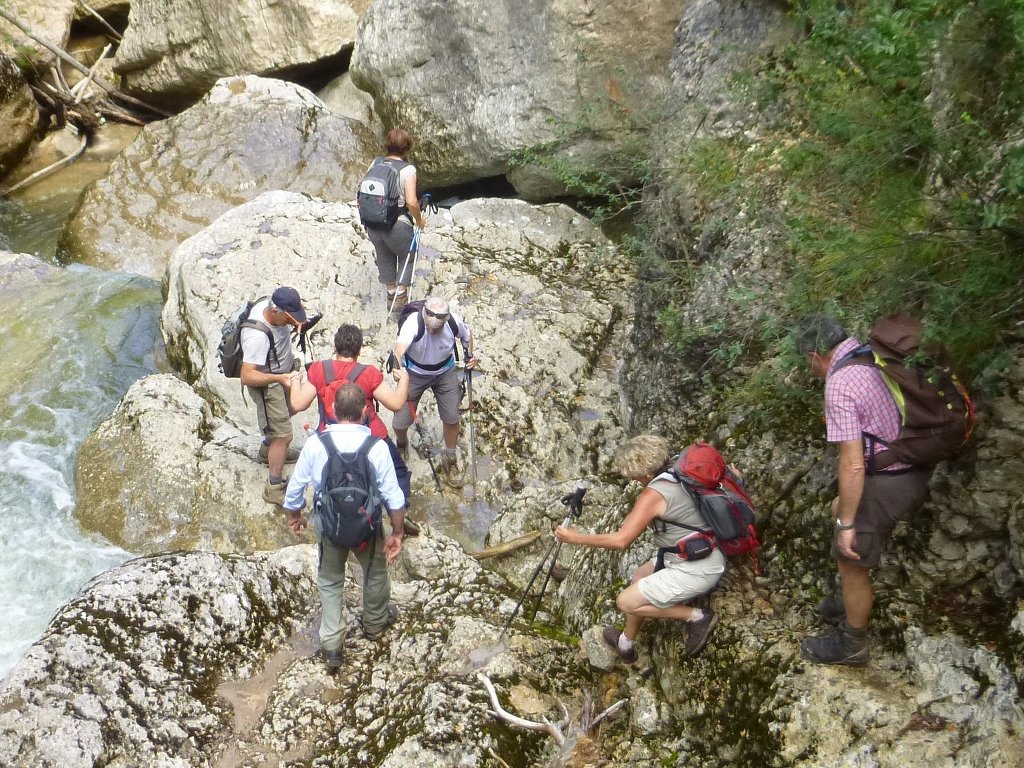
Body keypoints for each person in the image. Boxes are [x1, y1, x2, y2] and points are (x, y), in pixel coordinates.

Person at [797, 314, 934, 666]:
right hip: (912, 461)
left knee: (852, 557)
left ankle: (853, 642)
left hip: (890, 480)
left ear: (815, 355)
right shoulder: (869, 353)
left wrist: (846, 526)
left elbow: (852, 464)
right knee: (837, 508)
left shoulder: (840, 384)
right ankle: (846, 598)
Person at [555, 435, 724, 662]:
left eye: (632, 474)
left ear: (643, 472)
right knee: (640, 575)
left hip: (696, 569)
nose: (632, 479)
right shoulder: (677, 471)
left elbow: (621, 540)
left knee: (626, 602)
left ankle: (697, 617)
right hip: (698, 553)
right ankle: (626, 643)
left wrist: (575, 538)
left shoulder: (653, 494)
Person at [282, 382, 407, 672]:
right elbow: (393, 496)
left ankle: (333, 645)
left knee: (330, 580)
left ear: (333, 410)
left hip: (330, 525)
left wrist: (294, 516)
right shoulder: (376, 446)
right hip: (367, 527)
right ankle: (375, 624)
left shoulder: (316, 443)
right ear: (365, 411)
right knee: (375, 572)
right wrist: (397, 532)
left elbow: (296, 488)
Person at [289, 323, 420, 536]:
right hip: (370, 435)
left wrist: (295, 380)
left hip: (330, 436)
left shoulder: (319, 369)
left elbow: (297, 404)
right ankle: (399, 512)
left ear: (335, 347)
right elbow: (396, 403)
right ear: (359, 350)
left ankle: (338, 509)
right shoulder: (368, 373)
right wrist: (404, 380)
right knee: (398, 473)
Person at [391, 297, 477, 478]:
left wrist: (470, 356)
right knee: (400, 422)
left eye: (436, 328)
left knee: (452, 417)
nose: (431, 330)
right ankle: (401, 442)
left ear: (445, 321)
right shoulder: (413, 323)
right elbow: (398, 351)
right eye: (428, 326)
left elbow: (467, 337)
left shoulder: (454, 321)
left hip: (445, 372)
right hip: (414, 374)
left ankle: (450, 456)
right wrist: (397, 368)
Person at [239, 286, 307, 506]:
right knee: (283, 435)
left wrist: (297, 321)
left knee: (293, 407)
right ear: (276, 311)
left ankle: (267, 450)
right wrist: (279, 380)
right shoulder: (257, 336)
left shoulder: (270, 306)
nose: (292, 321)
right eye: (289, 317)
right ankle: (274, 488)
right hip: (271, 385)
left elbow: (292, 314)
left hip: (283, 372)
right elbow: (247, 376)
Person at [363, 128, 427, 310]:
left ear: (387, 145)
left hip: (373, 224)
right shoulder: (408, 170)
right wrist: (419, 220)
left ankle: (390, 293)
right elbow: (412, 202)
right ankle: (400, 300)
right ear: (407, 148)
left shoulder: (375, 163)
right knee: (408, 254)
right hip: (397, 225)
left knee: (384, 255)